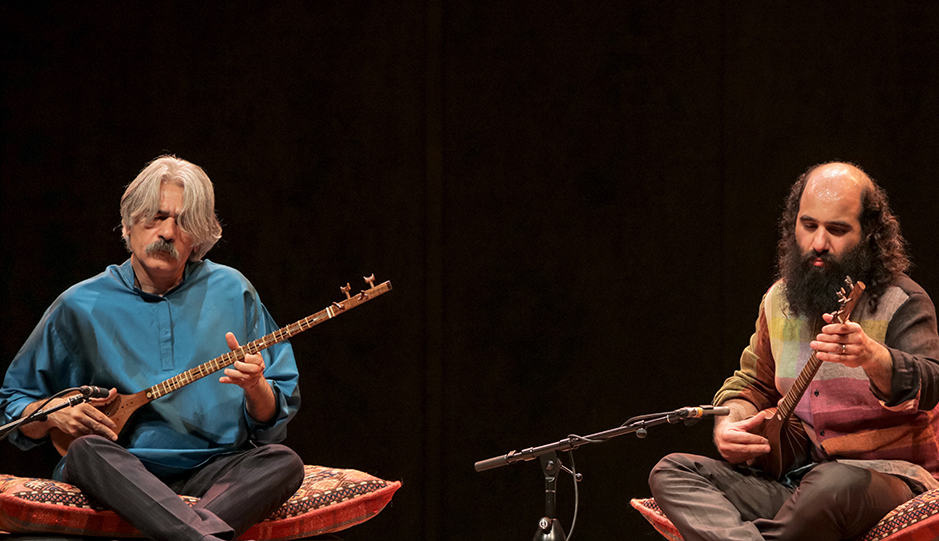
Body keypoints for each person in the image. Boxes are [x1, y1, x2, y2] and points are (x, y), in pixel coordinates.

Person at [0, 155, 305, 541]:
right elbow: (13, 400)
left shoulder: (232, 289)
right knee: (86, 452)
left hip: (215, 467)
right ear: (128, 222)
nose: (167, 232)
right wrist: (54, 416)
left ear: (199, 236)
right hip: (123, 471)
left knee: (282, 462)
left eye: (183, 222)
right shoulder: (80, 304)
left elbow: (273, 418)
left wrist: (256, 387)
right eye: (155, 217)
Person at [648, 162, 939, 541]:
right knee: (672, 472)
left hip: (882, 480)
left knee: (834, 483)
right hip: (795, 481)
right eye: (809, 225)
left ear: (869, 234)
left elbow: (931, 379)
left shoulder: (904, 301)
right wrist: (730, 424)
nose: (819, 243)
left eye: (836, 230)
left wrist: (872, 356)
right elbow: (751, 383)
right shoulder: (778, 300)